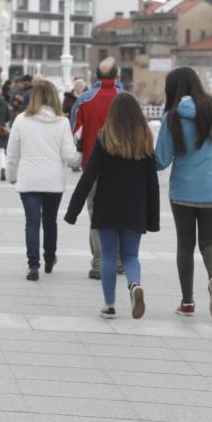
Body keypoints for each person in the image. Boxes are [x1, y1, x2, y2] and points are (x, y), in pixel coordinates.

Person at [65, 93, 159, 319]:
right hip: (135, 206)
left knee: (108, 256)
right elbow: (152, 182)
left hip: (106, 204)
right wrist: (153, 217)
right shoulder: (145, 138)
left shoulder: (104, 137)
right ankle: (134, 284)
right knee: (130, 256)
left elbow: (89, 176)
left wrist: (73, 210)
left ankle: (109, 304)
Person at [155, 67, 212, 318]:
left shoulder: (171, 117)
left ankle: (188, 302)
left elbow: (161, 159)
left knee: (185, 245)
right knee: (211, 242)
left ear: (173, 89)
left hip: (182, 191)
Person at [6, 81, 80, 281]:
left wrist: (11, 176)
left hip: (29, 180)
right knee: (50, 222)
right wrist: (81, 152)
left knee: (32, 222)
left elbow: (12, 153)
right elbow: (70, 156)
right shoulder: (62, 122)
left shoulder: (21, 120)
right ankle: (49, 257)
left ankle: (33, 265)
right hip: (53, 181)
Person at [71, 57, 126, 279]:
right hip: (123, 167)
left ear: (96, 76)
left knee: (96, 214)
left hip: (92, 167)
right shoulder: (126, 100)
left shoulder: (84, 100)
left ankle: (99, 263)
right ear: (118, 76)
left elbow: (74, 132)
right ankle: (120, 261)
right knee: (121, 214)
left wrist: (83, 149)